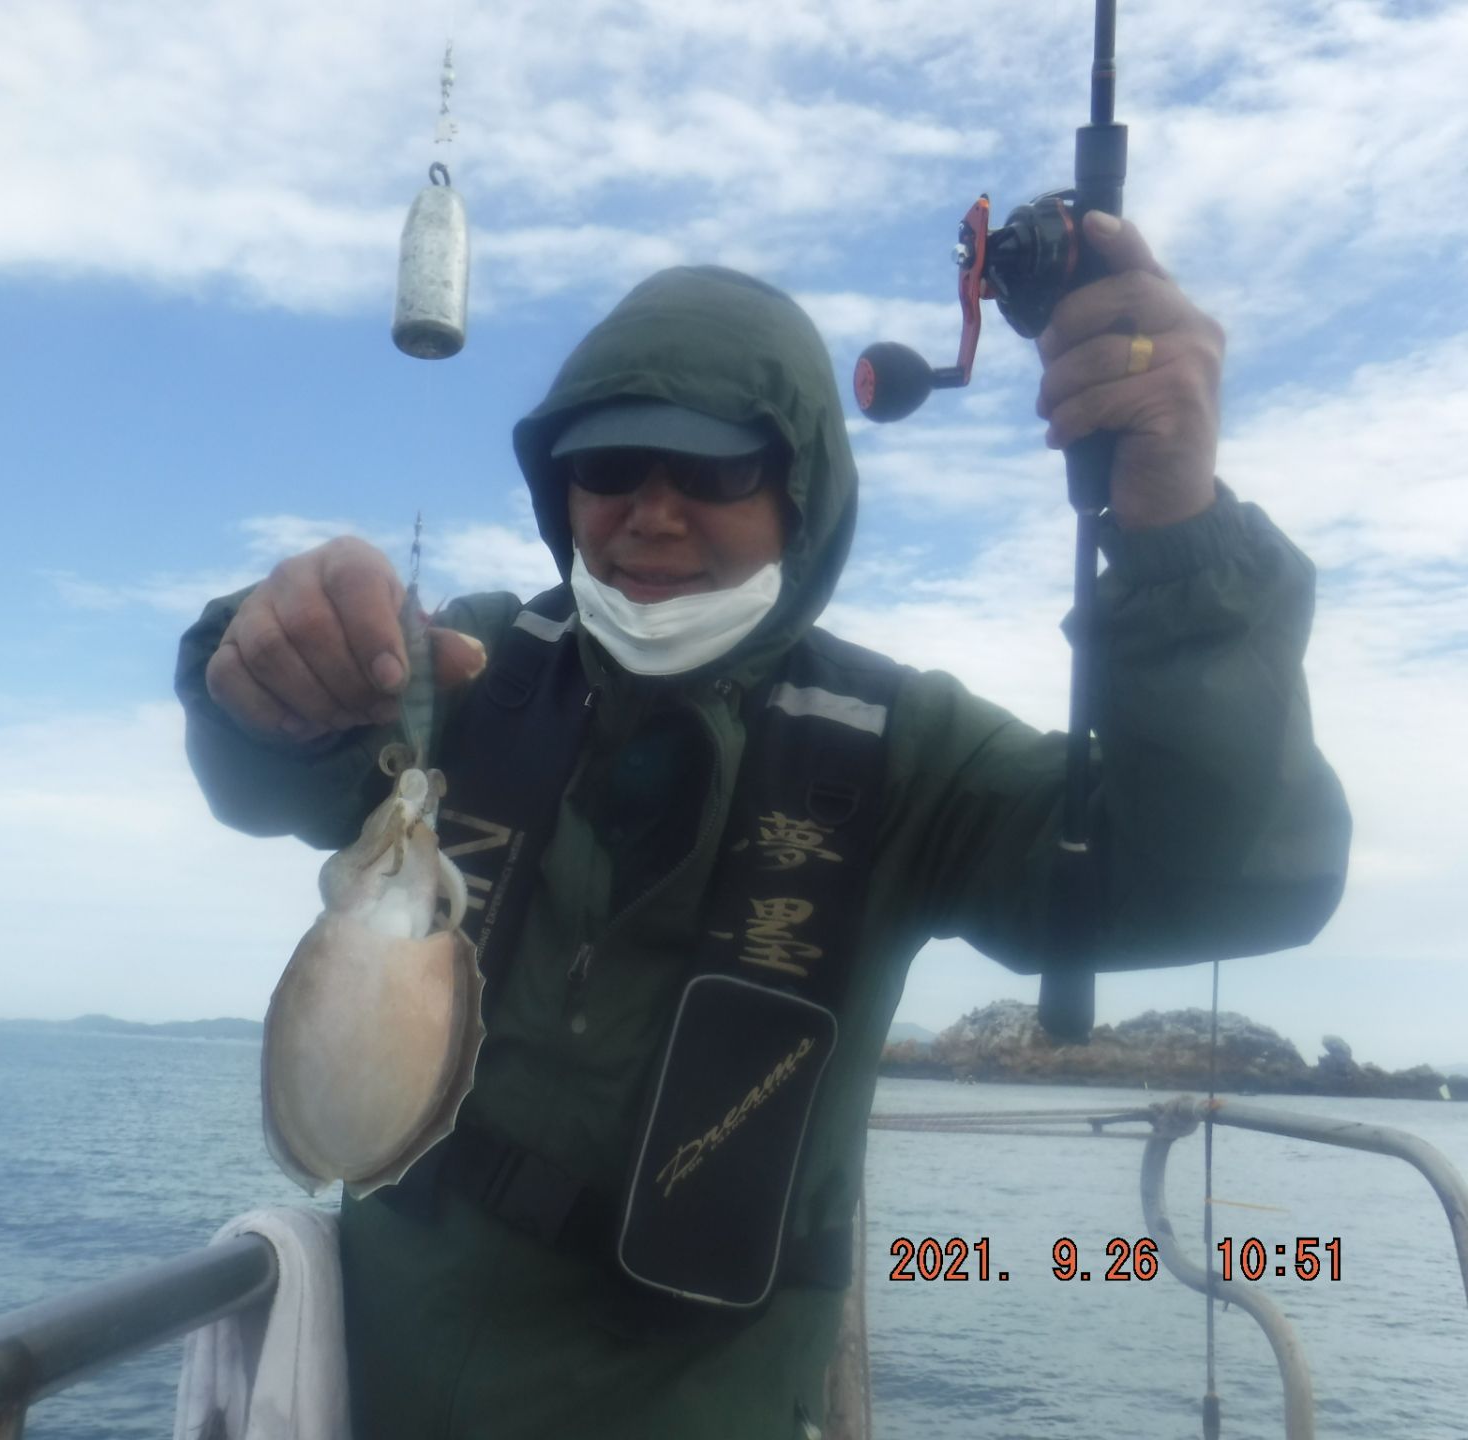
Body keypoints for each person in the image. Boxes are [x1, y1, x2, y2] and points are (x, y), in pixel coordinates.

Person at [175, 214, 1350, 1439]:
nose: (652, 512)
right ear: (559, 487)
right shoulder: (471, 669)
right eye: (609, 464)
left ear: (802, 493)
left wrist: (1177, 539)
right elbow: (267, 775)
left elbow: (1222, 875)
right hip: (385, 1391)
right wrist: (264, 667)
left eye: (718, 469)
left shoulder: (908, 750)